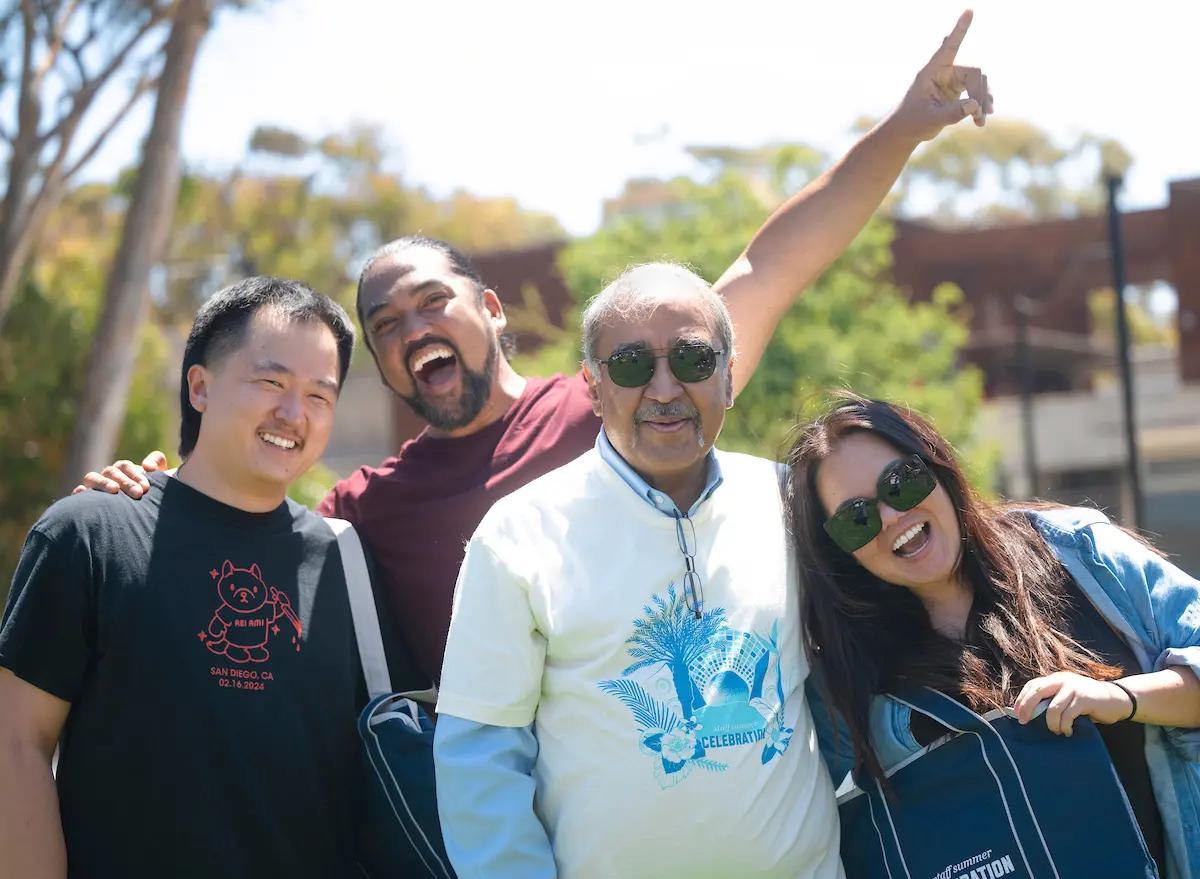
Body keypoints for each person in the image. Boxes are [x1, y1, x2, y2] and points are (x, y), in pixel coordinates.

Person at [78, 11, 993, 687]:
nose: (411, 330)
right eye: (386, 326)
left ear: (491, 307)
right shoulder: (367, 509)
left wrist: (907, 124)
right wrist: (144, 496)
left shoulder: (632, 395)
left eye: (431, 303)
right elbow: (242, 528)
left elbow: (771, 263)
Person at [0, 278, 420, 878]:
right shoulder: (90, 533)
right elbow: (16, 747)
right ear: (200, 386)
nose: (293, 414)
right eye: (271, 382)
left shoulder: (345, 561)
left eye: (319, 396)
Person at [434, 262, 842, 878]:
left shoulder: (792, 501)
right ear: (594, 389)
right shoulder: (518, 534)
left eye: (692, 360)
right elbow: (480, 760)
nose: (664, 389)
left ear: (728, 378)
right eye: (630, 366)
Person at [787, 393, 1200, 879]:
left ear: (937, 466)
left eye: (902, 483)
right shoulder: (841, 682)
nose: (892, 517)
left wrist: (1119, 697)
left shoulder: (1079, 554)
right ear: (839, 551)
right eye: (857, 518)